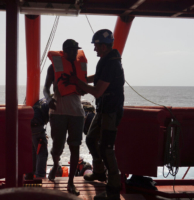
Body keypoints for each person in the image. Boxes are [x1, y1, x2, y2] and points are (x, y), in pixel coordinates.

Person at [62, 29, 125, 200]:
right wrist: (81, 79)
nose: (95, 49)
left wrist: (78, 83)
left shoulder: (112, 63)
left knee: (107, 149)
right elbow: (98, 78)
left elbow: (97, 91)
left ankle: (113, 191)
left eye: (96, 46)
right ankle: (98, 172)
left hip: (111, 111)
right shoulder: (107, 60)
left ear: (103, 46)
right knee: (90, 139)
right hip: (103, 109)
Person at [43, 39, 87, 196]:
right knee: (58, 146)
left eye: (77, 50)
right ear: (65, 51)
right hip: (58, 112)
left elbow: (85, 87)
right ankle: (55, 165)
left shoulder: (79, 67)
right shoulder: (53, 67)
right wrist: (49, 100)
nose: (76, 53)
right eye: (72, 50)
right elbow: (45, 89)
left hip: (77, 113)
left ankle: (70, 182)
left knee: (75, 146)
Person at [31, 97, 49, 178]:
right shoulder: (53, 103)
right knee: (42, 152)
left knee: (34, 151)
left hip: (29, 125)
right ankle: (40, 176)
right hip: (37, 127)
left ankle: (30, 174)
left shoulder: (42, 100)